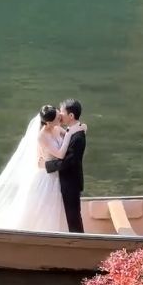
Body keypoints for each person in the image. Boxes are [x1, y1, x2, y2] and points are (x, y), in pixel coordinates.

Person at [0, 105, 86, 232]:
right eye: (57, 118)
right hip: (46, 176)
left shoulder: (56, 128)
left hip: (56, 174)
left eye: (59, 115)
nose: (60, 118)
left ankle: (67, 235)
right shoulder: (42, 136)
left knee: (59, 208)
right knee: (44, 209)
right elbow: (61, 153)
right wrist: (69, 133)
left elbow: (72, 136)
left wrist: (80, 128)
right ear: (48, 123)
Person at [44, 99, 86, 233]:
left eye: (62, 112)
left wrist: (47, 165)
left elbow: (69, 161)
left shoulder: (78, 137)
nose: (60, 115)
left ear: (71, 116)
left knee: (73, 216)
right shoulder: (73, 130)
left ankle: (79, 241)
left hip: (71, 182)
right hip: (66, 180)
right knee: (71, 215)